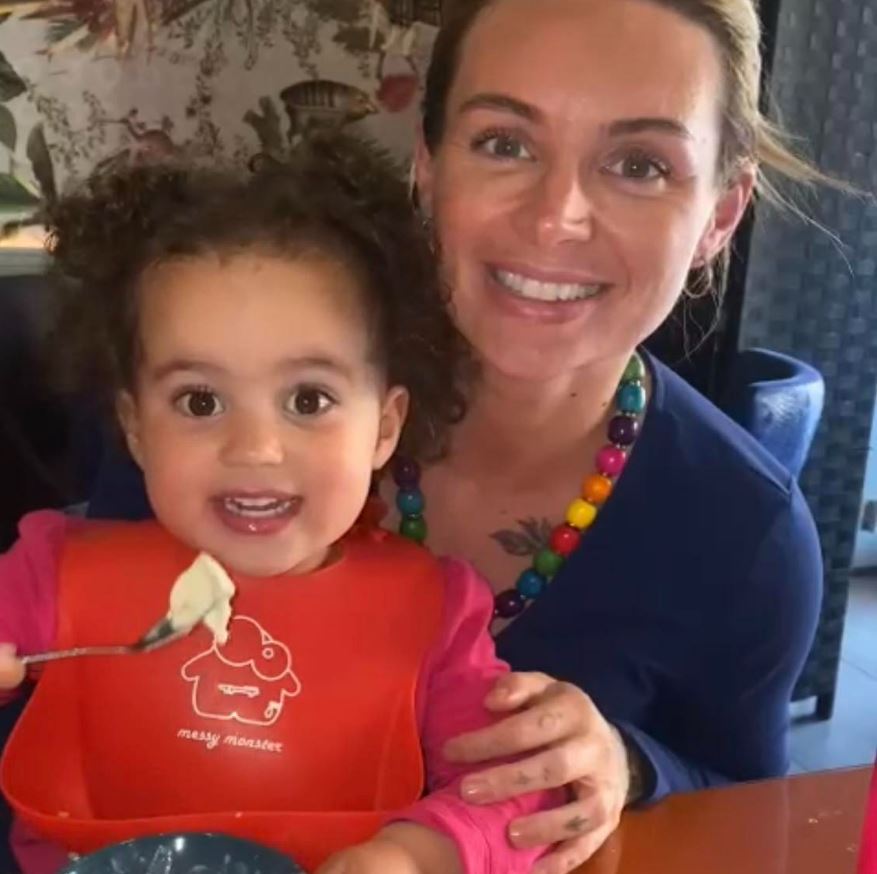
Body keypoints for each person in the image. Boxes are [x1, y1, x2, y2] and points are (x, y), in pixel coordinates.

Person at [39, 1, 828, 872]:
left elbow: (753, 811)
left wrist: (632, 765)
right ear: (428, 162)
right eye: (504, 143)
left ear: (720, 213)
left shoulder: (741, 535)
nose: (557, 217)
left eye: (639, 164)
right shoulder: (215, 389)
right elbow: (55, 682)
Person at [0, 137, 565, 874]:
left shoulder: (432, 615)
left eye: (308, 399)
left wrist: (409, 855)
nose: (255, 448)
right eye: (199, 401)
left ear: (384, 427)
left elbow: (523, 788)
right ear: (136, 428)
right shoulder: (52, 577)